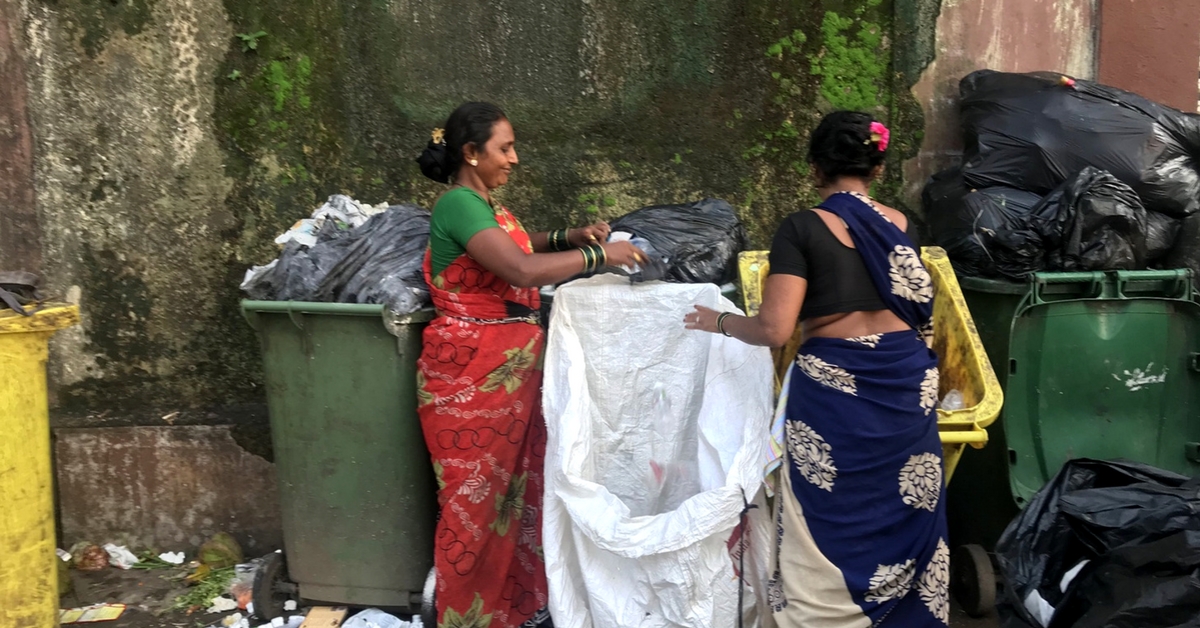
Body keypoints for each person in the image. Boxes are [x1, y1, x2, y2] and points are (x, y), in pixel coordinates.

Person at [684, 111, 949, 627]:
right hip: (906, 381)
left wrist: (718, 320)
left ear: (814, 169)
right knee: (905, 505)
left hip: (837, 389)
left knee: (832, 513)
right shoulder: (901, 225)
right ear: (876, 168)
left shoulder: (803, 228)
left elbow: (774, 330)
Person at [415, 101, 645, 628]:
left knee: (516, 500)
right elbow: (518, 266)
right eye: (505, 148)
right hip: (470, 381)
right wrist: (603, 256)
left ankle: (512, 612)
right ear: (471, 154)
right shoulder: (458, 204)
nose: (514, 159)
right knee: (474, 510)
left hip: (509, 375)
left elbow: (520, 246)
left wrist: (570, 237)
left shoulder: (488, 208)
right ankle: (466, 618)